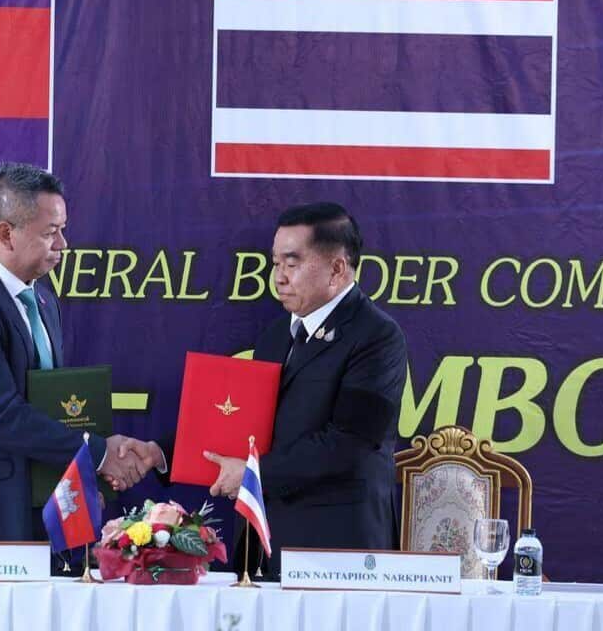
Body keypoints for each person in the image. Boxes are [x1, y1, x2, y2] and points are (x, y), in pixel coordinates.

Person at [122, 202, 407, 576]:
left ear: (337, 268)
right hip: (266, 542)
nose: (279, 277)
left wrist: (253, 474)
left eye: (292, 263)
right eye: (275, 263)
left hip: (338, 544)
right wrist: (162, 453)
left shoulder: (377, 337)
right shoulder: (276, 336)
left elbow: (350, 444)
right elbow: (243, 423)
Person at [0, 163, 148, 542]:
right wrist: (97, 454)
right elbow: (1, 415)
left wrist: (78, 477)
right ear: (6, 234)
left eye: (63, 230)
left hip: (30, 513)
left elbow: (48, 408)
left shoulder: (43, 300)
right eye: (52, 233)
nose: (64, 244)